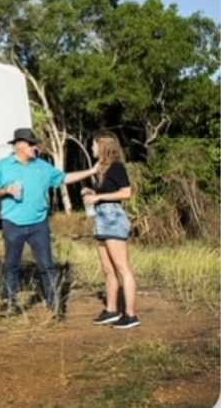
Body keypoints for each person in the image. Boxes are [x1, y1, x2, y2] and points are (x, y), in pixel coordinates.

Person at [0, 128, 96, 315]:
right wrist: (6, 190)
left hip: (38, 224)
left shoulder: (42, 166)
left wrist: (92, 171)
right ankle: (8, 302)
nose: (34, 147)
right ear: (19, 145)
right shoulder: (2, 166)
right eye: (31, 144)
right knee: (11, 265)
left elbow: (65, 178)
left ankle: (55, 307)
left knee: (46, 265)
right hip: (12, 223)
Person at [82, 131, 138, 329]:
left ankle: (131, 315)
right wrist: (92, 192)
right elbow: (106, 193)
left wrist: (98, 198)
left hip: (113, 218)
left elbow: (126, 192)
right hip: (101, 218)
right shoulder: (101, 169)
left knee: (122, 268)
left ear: (102, 146)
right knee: (108, 269)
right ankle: (112, 310)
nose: (91, 148)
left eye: (93, 145)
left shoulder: (116, 167)